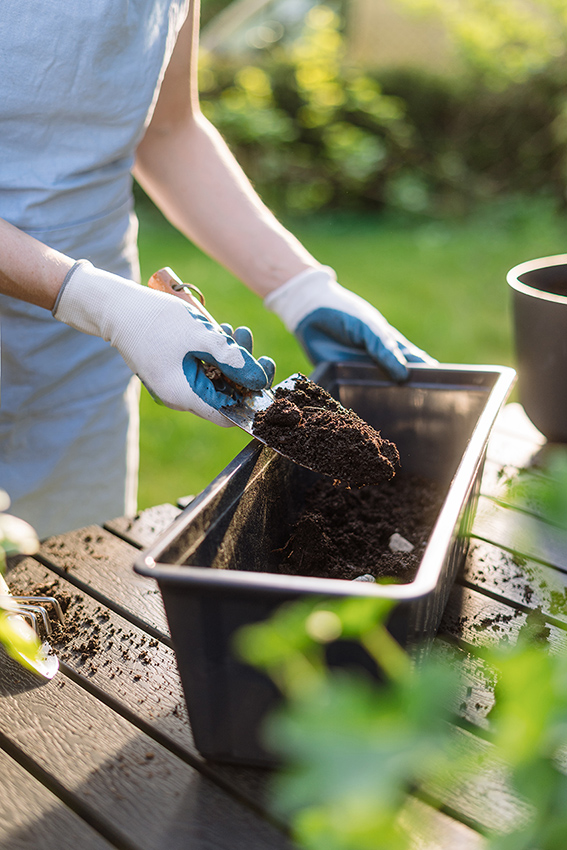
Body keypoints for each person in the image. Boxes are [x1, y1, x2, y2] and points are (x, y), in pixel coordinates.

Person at [0, 0, 433, 539]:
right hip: (90, 301)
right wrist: (94, 299)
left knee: (65, 563)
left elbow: (168, 129)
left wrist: (299, 286)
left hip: (87, 341)